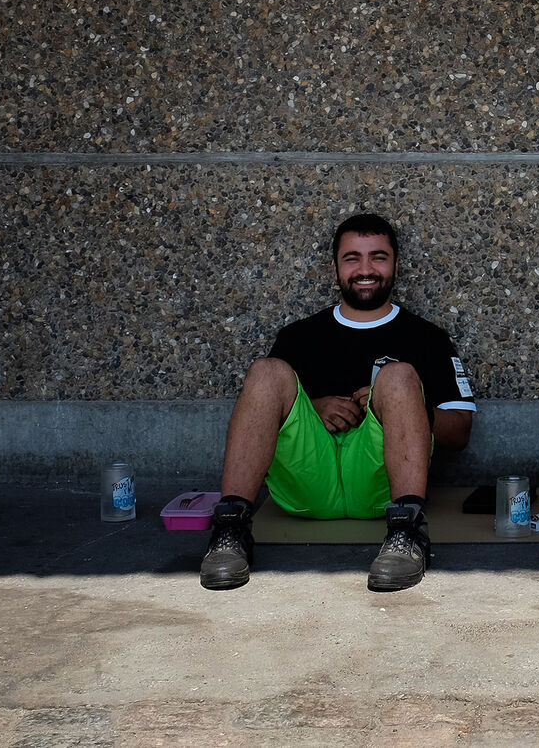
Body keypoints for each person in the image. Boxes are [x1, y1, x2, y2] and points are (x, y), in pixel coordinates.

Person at [199, 213, 476, 592]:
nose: (366, 269)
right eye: (352, 258)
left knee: (396, 376)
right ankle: (229, 531)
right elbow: (267, 410)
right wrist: (313, 408)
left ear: (396, 265)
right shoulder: (299, 336)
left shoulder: (427, 338)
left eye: (378, 257)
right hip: (308, 481)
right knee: (266, 372)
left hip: (382, 486)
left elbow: (460, 431)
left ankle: (408, 534)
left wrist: (399, 407)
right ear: (335, 268)